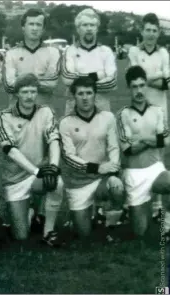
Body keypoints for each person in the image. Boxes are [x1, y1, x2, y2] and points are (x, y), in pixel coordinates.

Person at [0, 74, 64, 247]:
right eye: (25, 92)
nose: (29, 96)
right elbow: (9, 150)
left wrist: (54, 167)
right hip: (15, 178)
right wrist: (36, 171)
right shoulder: (4, 116)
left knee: (57, 183)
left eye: (33, 92)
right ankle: (30, 210)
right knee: (21, 236)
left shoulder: (45, 111)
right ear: (16, 94)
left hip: (37, 175)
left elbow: (54, 140)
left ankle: (48, 232)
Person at [59, 76, 125, 241]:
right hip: (78, 182)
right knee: (84, 235)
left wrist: (113, 170)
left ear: (95, 95)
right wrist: (96, 167)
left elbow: (114, 147)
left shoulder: (107, 117)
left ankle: (110, 226)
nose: (85, 97)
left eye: (89, 93)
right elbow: (69, 157)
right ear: (74, 97)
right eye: (80, 93)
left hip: (101, 178)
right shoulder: (65, 123)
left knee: (116, 186)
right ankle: (88, 214)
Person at [117, 66, 170, 238]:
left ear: (146, 86)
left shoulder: (157, 111)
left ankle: (168, 226)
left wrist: (142, 138)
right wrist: (153, 139)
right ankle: (133, 210)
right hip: (134, 175)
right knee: (140, 232)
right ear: (129, 88)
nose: (139, 90)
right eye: (135, 87)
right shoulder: (122, 115)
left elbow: (166, 141)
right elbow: (128, 149)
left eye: (142, 85)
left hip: (156, 169)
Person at [127, 13, 170, 222]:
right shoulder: (134, 50)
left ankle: (158, 204)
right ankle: (136, 196)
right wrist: (156, 78)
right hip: (137, 108)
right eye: (148, 30)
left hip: (159, 110)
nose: (151, 34)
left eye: (154, 30)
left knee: (159, 155)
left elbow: (167, 82)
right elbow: (135, 76)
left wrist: (146, 78)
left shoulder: (163, 53)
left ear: (158, 33)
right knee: (136, 151)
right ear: (141, 31)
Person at [2, 8, 61, 115]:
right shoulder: (11, 53)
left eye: (38, 25)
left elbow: (51, 83)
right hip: (16, 114)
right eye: (31, 24)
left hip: (44, 113)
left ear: (43, 29)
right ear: (23, 27)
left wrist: (21, 80)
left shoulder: (53, 52)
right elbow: (9, 86)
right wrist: (40, 80)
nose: (35, 28)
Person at [61, 8, 117, 115]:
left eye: (92, 25)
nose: (89, 28)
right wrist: (100, 74)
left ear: (97, 28)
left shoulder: (106, 51)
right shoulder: (70, 50)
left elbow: (112, 83)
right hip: (74, 110)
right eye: (85, 25)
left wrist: (80, 80)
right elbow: (68, 79)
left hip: (101, 109)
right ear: (78, 29)